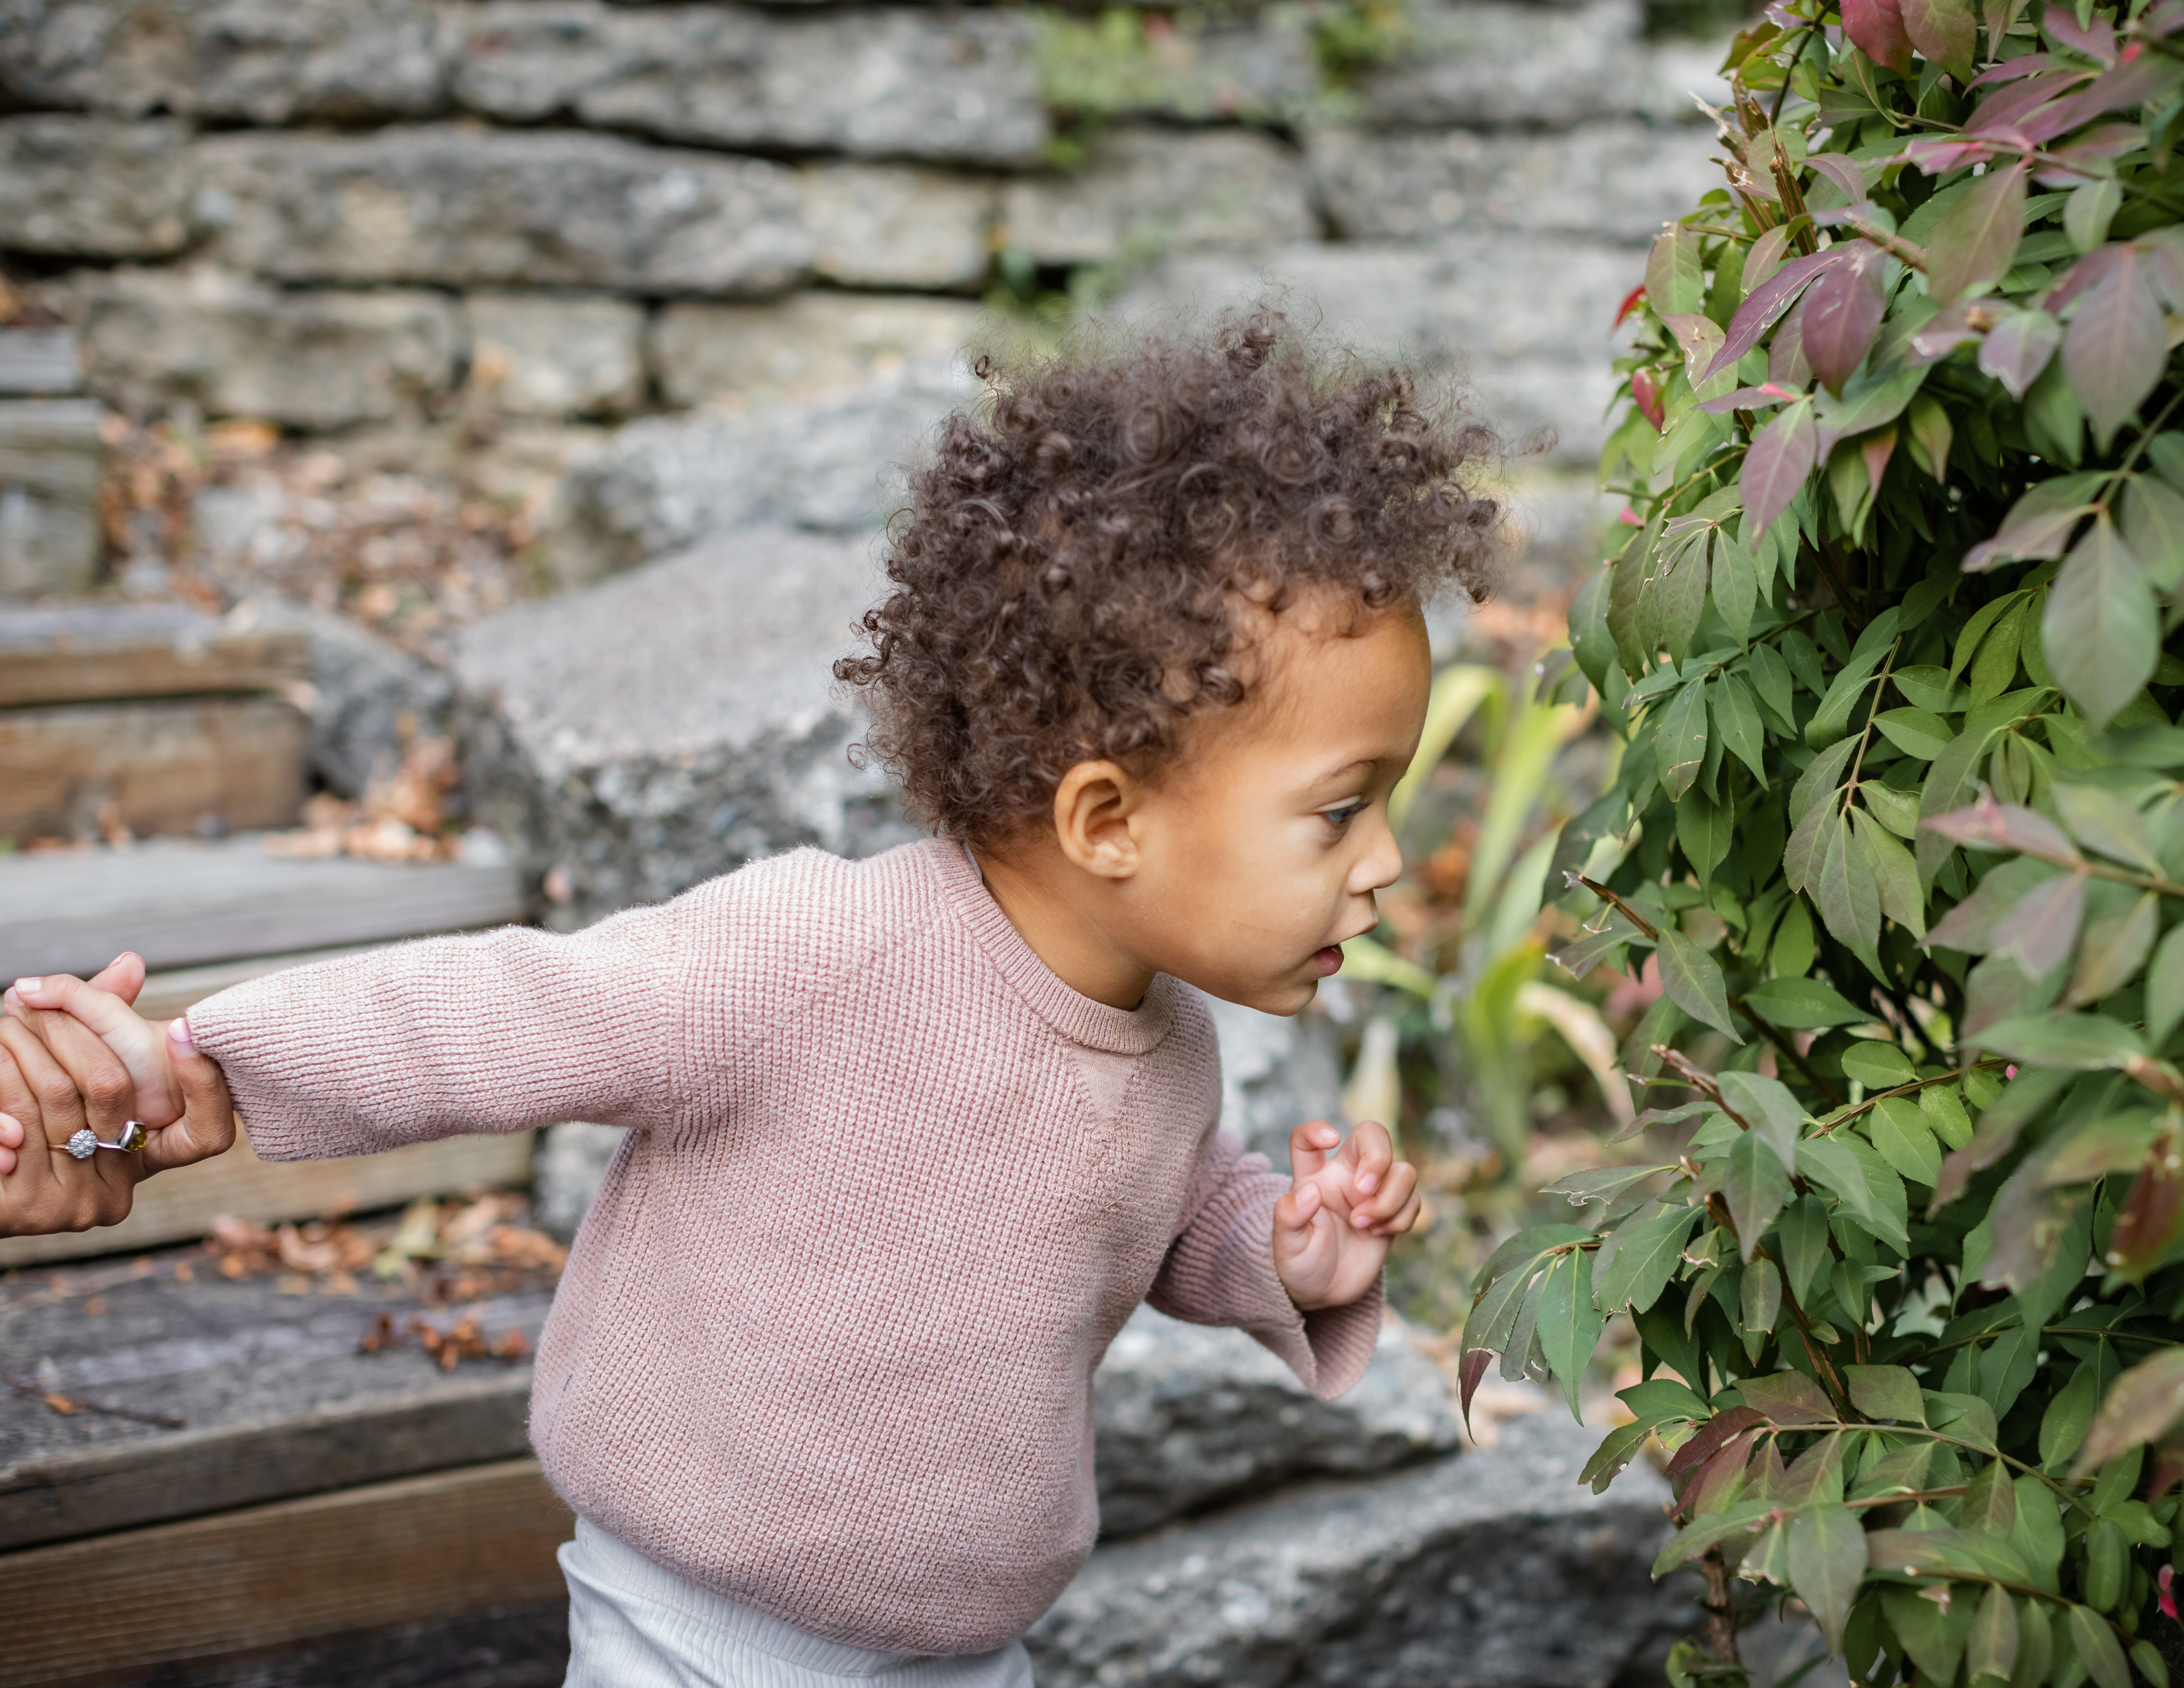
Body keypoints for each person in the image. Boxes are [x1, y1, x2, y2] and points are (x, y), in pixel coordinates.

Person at [0, 310, 1501, 1688]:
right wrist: (207, 1076)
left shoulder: (1167, 1047)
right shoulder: (812, 955)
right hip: (701, 1635)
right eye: (1339, 811)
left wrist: (1283, 1256)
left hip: (968, 1648)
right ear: (1106, 819)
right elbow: (501, 1008)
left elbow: (1171, 1216)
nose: (1383, 867)